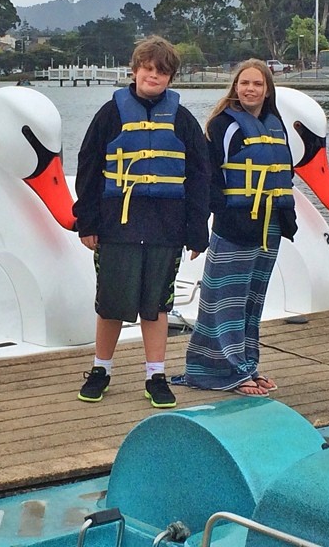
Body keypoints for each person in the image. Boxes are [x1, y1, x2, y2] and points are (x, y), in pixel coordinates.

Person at [73, 36, 210, 408]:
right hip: (117, 224)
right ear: (135, 70)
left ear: (170, 78)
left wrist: (198, 229)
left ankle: (156, 376)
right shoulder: (110, 113)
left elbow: (200, 175)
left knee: (157, 304)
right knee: (111, 302)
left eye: (161, 72)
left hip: (167, 227)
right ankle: (101, 369)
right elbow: (88, 168)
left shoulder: (182, 119)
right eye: (148, 69)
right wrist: (86, 222)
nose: (153, 76)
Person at [173, 58, 298, 397]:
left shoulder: (275, 124)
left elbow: (284, 169)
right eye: (245, 83)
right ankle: (218, 370)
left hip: (269, 225)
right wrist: (223, 212)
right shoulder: (222, 125)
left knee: (251, 301)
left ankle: (247, 365)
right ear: (235, 87)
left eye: (257, 84)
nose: (250, 89)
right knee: (223, 300)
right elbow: (208, 174)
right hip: (235, 223)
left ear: (267, 89)